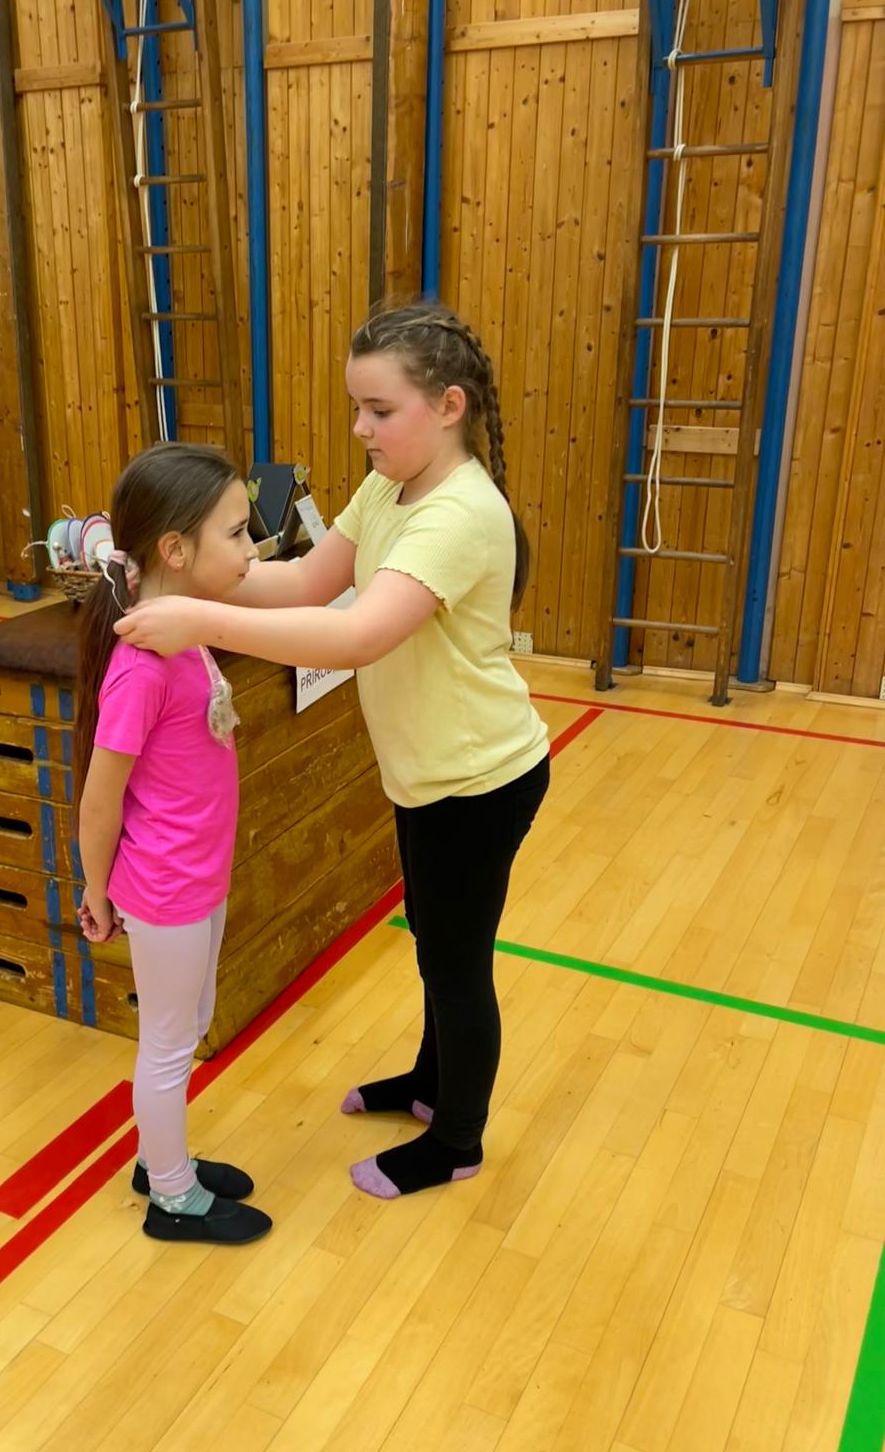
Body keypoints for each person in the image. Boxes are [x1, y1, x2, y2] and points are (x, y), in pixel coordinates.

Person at [115, 301, 550, 1200]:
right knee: (434, 941)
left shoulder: (459, 513)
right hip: (427, 774)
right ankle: (431, 1084)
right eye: (358, 408)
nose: (361, 428)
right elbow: (310, 580)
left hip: (479, 778)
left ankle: (456, 1140)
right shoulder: (391, 487)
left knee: (456, 965)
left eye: (380, 410)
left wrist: (198, 618)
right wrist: (197, 577)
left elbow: (356, 635)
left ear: (450, 407)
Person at [73, 443, 272, 1245]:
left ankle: (161, 1160)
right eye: (237, 532)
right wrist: (95, 891)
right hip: (165, 890)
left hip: (198, 879)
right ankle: (172, 1197)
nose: (251, 548)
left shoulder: (186, 635)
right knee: (166, 1044)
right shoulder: (143, 669)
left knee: (190, 1026)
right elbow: (99, 799)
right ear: (176, 550)